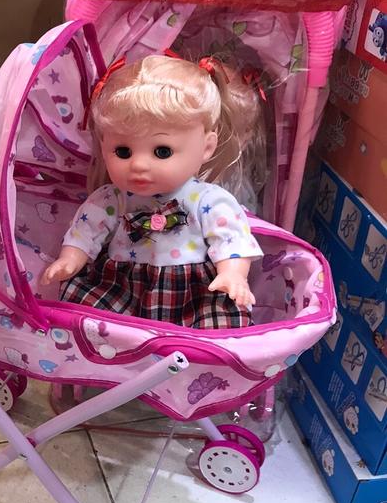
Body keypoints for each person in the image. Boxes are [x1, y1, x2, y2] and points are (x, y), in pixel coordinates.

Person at [40, 54, 265, 329]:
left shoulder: (208, 200)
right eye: (123, 151)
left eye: (162, 151)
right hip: (121, 285)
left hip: (191, 292)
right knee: (86, 317)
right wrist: (70, 259)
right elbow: (86, 231)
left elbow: (230, 238)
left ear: (206, 147)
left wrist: (233, 274)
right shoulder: (112, 198)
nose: (138, 165)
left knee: (218, 321)